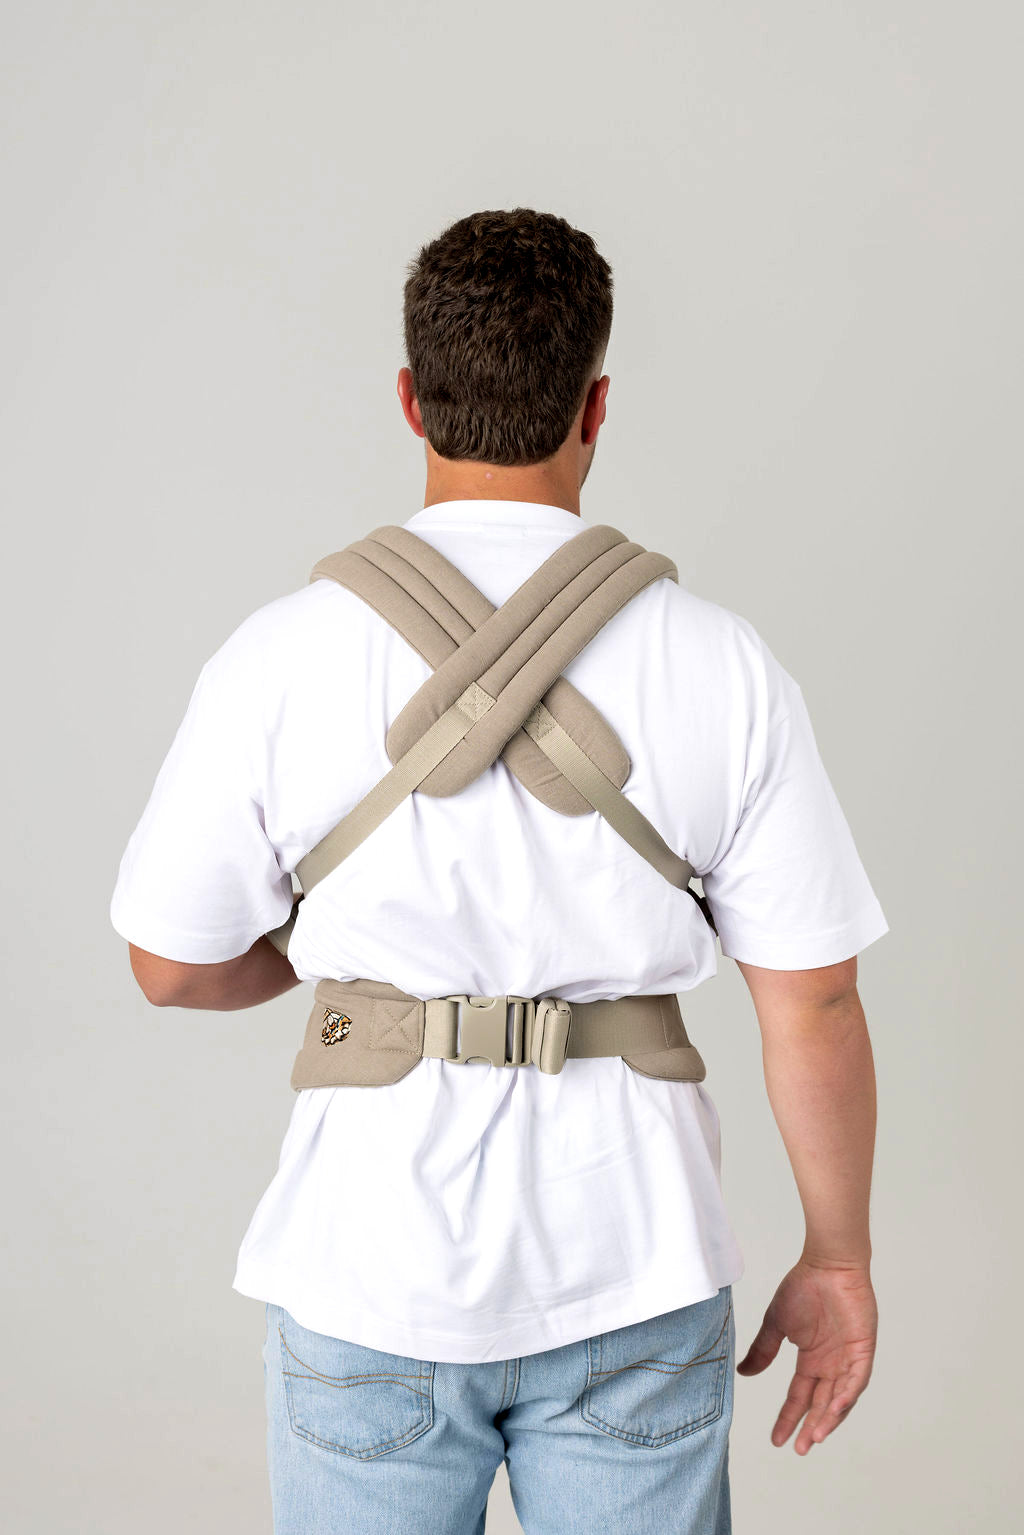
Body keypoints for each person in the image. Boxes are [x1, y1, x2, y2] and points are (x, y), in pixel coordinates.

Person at [110, 208, 888, 1534]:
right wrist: (839, 1256)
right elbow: (812, 996)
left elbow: (170, 966)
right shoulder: (720, 662)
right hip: (634, 1256)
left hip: (369, 1262)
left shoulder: (280, 655)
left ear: (412, 400)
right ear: (596, 408)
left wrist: (330, 948)